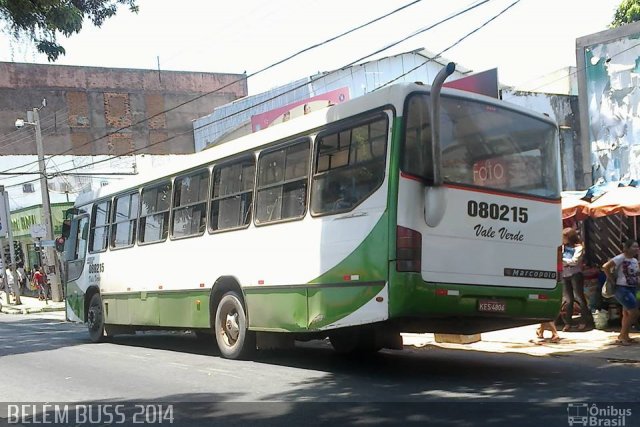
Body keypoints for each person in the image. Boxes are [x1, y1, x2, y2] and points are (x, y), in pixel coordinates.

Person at [602, 239, 640, 346]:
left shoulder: (634, 260)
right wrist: (611, 279)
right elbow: (605, 266)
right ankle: (623, 335)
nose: (636, 249)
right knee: (634, 313)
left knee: (627, 314)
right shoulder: (621, 258)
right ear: (626, 248)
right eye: (634, 246)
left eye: (637, 247)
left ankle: (625, 336)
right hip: (622, 288)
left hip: (632, 288)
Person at [561, 227, 594, 331]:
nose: (562, 239)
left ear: (569, 237)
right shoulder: (562, 247)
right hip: (565, 275)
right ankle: (568, 323)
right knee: (568, 300)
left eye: (564, 237)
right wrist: (565, 261)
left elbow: (574, 261)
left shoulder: (578, 247)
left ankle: (583, 321)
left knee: (580, 298)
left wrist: (562, 260)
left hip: (575, 274)